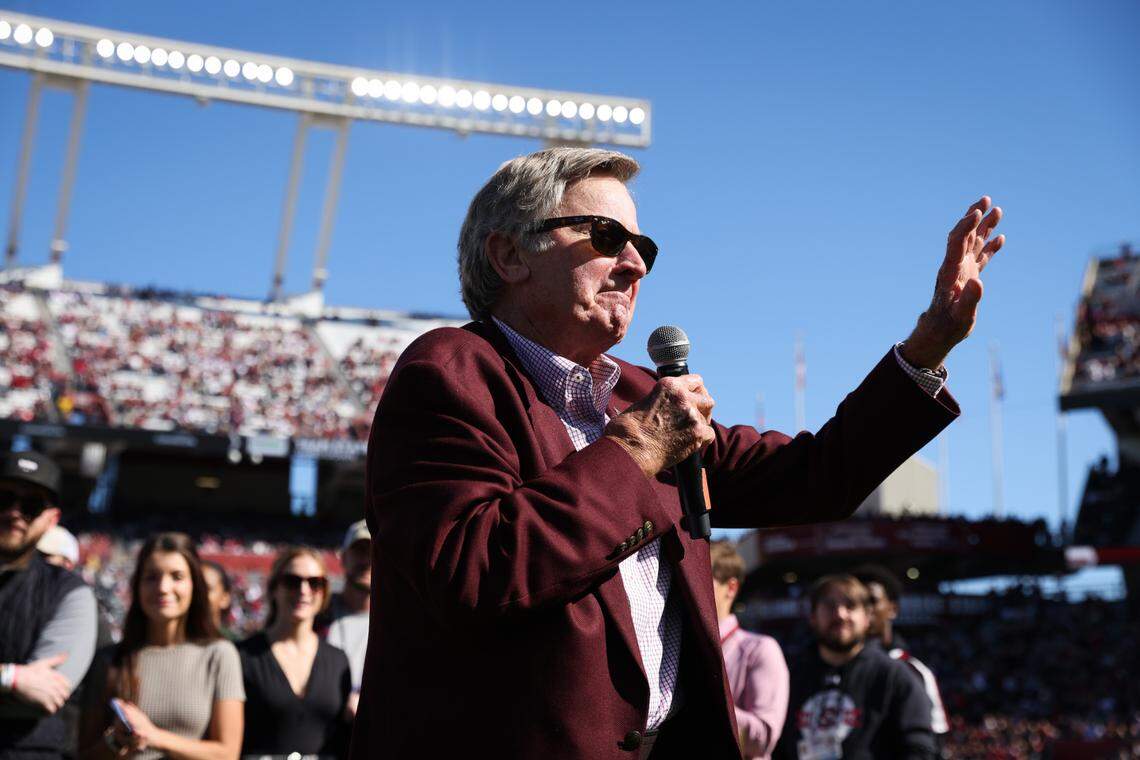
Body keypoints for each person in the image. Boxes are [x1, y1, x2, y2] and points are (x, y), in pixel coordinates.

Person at [352, 147, 1003, 758]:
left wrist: (929, 346)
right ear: (509, 255)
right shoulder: (451, 371)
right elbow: (477, 568)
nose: (634, 263)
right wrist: (637, 449)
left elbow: (813, 478)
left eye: (643, 247)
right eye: (605, 237)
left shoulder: (638, 391)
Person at [79, 532, 244, 760]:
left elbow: (227, 754)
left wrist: (154, 736)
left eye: (177, 576)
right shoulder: (110, 659)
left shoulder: (219, 655)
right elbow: (84, 754)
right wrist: (116, 741)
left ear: (194, 585)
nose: (163, 588)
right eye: (151, 577)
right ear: (137, 586)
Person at [0, 450, 97, 760]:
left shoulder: (70, 593)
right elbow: (23, 690)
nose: (14, 512)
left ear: (52, 519)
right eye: (5, 498)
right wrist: (11, 678)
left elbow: (44, 696)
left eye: (31, 506)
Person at [774, 575, 934, 759]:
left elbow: (919, 748)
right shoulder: (790, 678)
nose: (840, 614)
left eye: (850, 606)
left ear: (867, 617)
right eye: (829, 606)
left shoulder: (895, 676)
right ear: (813, 617)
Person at [239, 547, 351, 758]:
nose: (304, 590)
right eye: (292, 581)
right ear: (273, 588)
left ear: (324, 593)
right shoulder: (242, 656)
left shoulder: (338, 661)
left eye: (315, 583)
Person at [710, 541, 788, 759]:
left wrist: (703, 701)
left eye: (700, 578)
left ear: (731, 587)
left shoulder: (761, 650)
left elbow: (763, 738)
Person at [852, 564, 948, 736]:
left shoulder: (913, 671)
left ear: (893, 609)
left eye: (872, 601)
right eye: (857, 602)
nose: (865, 609)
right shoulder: (830, 668)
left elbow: (932, 743)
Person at [316, 520, 370, 717]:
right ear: (343, 557)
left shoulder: (401, 622)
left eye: (375, 551)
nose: (367, 560)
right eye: (360, 551)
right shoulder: (316, 614)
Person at [201, 561, 237, 640]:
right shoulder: (172, 641)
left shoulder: (234, 645)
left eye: (207, 589)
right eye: (195, 587)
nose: (199, 593)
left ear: (225, 598)